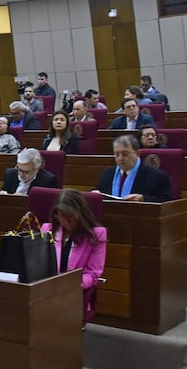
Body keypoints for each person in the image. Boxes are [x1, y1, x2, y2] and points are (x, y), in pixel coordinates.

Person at [41, 189, 107, 317]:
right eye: (61, 217)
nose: (65, 222)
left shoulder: (96, 235)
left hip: (73, 292)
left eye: (70, 218)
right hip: (45, 290)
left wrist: (69, 285)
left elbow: (93, 274)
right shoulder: (47, 230)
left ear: (80, 214)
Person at [94, 135, 172, 202]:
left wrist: (143, 199)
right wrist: (95, 194)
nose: (120, 158)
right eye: (117, 154)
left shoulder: (157, 176)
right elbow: (99, 191)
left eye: (125, 154)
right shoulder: (107, 174)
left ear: (137, 153)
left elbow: (167, 202)